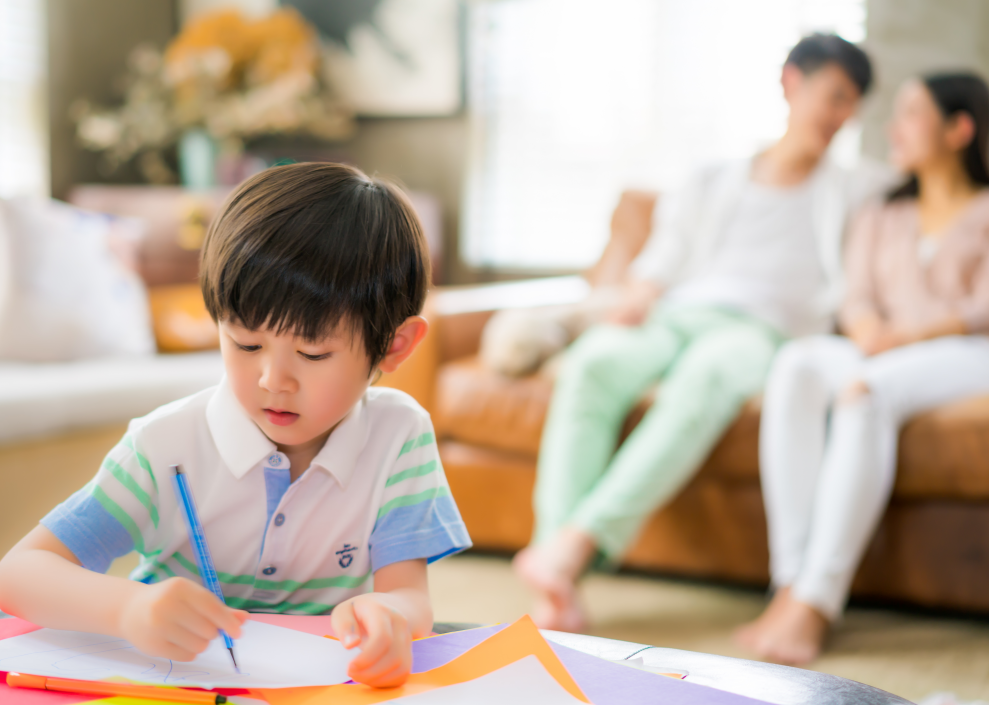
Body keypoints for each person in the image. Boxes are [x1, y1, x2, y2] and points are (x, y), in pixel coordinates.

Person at [0, 163, 472, 687]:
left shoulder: (399, 436)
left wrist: (390, 616)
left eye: (313, 353)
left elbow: (409, 597)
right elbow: (18, 574)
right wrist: (128, 609)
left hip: (313, 688)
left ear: (394, 345)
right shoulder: (165, 444)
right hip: (175, 683)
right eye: (246, 344)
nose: (274, 380)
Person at [513, 34, 891, 632]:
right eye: (834, 96)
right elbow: (666, 256)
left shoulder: (858, 188)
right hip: (677, 314)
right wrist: (639, 293)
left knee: (705, 380)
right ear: (791, 83)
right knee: (592, 364)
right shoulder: (713, 177)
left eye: (852, 105)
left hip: (760, 332)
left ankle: (577, 544)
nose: (841, 115)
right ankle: (556, 572)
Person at [735, 72, 989, 665]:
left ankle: (818, 602)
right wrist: (870, 329)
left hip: (970, 351)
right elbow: (856, 296)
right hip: (887, 345)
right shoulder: (882, 211)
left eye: (911, 113)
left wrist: (909, 335)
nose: (893, 128)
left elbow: (982, 308)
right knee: (797, 362)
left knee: (865, 390)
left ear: (959, 129)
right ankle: (790, 580)